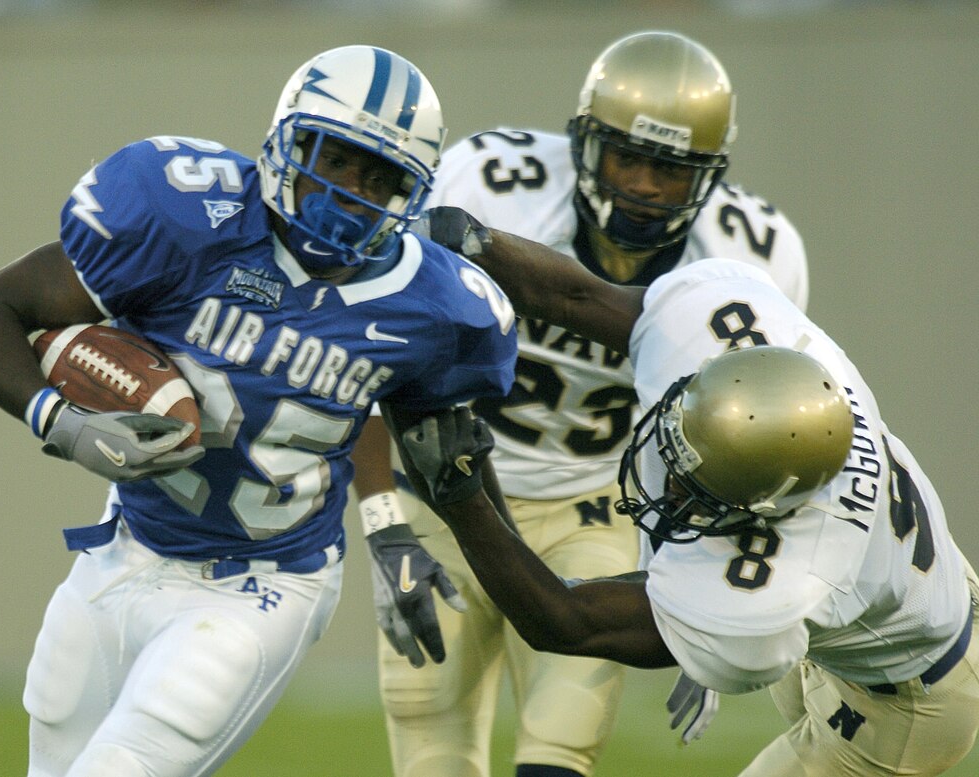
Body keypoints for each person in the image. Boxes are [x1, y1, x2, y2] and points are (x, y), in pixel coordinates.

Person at [0, 45, 517, 776]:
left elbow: (393, 407)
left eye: (381, 177)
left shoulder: (436, 305)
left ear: (415, 192)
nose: (349, 192)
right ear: (287, 139)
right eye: (333, 158)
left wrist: (391, 530)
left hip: (265, 584)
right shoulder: (185, 217)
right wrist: (63, 421)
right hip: (126, 546)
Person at [351, 30, 807, 777]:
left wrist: (711, 596)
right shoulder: (493, 187)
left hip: (597, 503)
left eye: (671, 167)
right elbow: (365, 342)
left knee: (563, 745)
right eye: (629, 156)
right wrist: (382, 524)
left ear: (710, 174)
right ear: (585, 141)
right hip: (444, 489)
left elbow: (750, 442)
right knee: (430, 737)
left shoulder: (755, 251)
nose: (646, 186)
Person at [386, 218, 979, 776]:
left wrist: (459, 493)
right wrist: (469, 241)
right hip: (878, 619)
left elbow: (564, 623)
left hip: (907, 705)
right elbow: (577, 298)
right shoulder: (761, 379)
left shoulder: (785, 579)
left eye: (690, 481)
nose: (664, 479)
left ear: (765, 507)